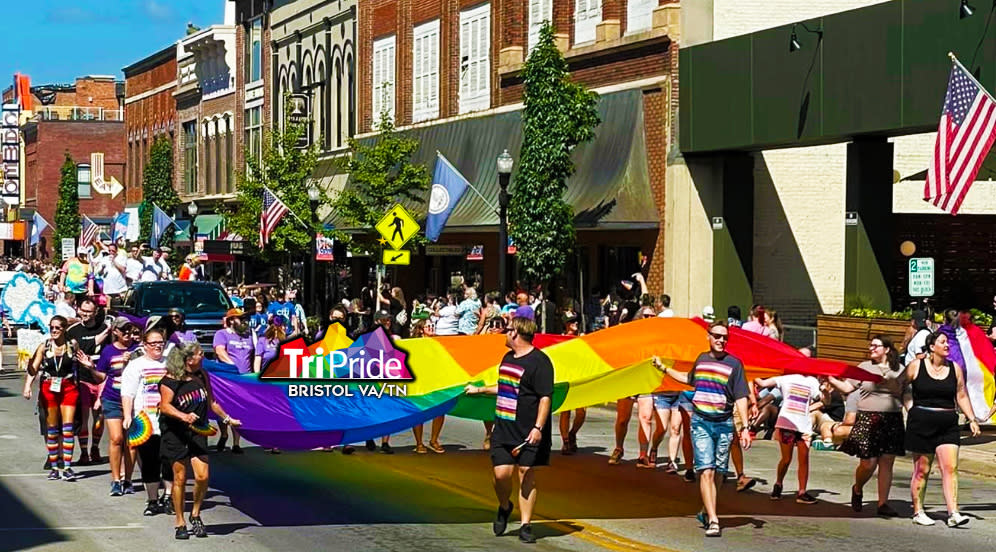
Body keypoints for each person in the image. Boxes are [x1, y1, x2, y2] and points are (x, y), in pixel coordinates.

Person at [652, 320, 752, 538]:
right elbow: (688, 379)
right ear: (708, 337)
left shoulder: (735, 364)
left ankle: (707, 510)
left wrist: (744, 427)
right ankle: (714, 520)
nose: (721, 340)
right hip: (701, 423)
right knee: (705, 470)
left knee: (718, 473)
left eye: (725, 337)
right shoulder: (701, 359)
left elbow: (741, 397)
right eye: (717, 336)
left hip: (724, 424)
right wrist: (664, 368)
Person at [464, 317, 554, 544]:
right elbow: (505, 386)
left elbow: (545, 398)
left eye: (507, 330)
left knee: (526, 473)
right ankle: (505, 506)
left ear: (516, 333)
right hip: (503, 428)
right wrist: (480, 389)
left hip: (528, 431)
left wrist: (538, 428)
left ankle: (525, 525)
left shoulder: (540, 362)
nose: (504, 333)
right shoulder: (507, 358)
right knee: (501, 475)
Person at [159, 343, 242, 539]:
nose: (202, 355)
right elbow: (165, 406)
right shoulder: (169, 381)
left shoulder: (202, 375)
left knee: (202, 476)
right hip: (175, 433)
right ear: (188, 359)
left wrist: (227, 419)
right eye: (198, 353)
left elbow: (212, 402)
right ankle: (180, 522)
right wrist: (183, 416)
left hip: (198, 432)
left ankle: (195, 513)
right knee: (179, 478)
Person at [905, 331, 980, 527]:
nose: (947, 345)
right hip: (921, 423)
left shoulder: (954, 368)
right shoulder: (916, 366)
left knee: (950, 468)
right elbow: (901, 387)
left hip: (948, 423)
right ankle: (918, 511)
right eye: (943, 342)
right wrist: (909, 407)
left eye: (947, 342)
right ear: (932, 347)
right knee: (922, 469)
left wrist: (972, 419)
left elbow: (961, 395)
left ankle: (953, 512)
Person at [827, 335, 906, 517]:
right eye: (870, 345)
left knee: (886, 462)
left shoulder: (900, 370)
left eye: (876, 346)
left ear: (887, 349)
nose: (871, 348)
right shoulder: (864, 367)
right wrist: (831, 379)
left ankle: (883, 503)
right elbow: (847, 388)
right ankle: (858, 488)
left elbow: (905, 393)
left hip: (892, 420)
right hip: (868, 420)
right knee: (868, 463)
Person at [121, 329, 173, 516]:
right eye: (153, 343)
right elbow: (128, 393)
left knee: (169, 461)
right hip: (146, 421)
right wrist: (127, 416)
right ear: (144, 345)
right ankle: (152, 500)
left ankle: (168, 497)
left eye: (161, 342)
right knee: (150, 462)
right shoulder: (136, 366)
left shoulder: (171, 364)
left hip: (169, 421)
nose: (158, 346)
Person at [25, 316, 81, 481]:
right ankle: (55, 467)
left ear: (64, 329)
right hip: (49, 387)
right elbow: (34, 369)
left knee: (68, 427)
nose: (54, 331)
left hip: (69, 386)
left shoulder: (72, 345)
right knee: (52, 428)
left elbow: (81, 360)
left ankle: (68, 466)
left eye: (57, 328)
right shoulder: (45, 346)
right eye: (52, 327)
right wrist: (27, 386)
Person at [753, 374, 824, 504]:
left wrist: (823, 394)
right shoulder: (785, 378)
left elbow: (823, 400)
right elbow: (762, 384)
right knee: (786, 459)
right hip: (787, 424)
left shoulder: (812, 381)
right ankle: (778, 483)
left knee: (804, 459)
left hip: (803, 426)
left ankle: (802, 492)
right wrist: (754, 371)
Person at [88, 318, 139, 496]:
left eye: (129, 330)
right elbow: (101, 377)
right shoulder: (108, 351)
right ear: (115, 331)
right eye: (123, 330)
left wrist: (131, 362)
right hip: (112, 398)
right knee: (116, 438)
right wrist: (91, 367)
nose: (127, 333)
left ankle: (128, 480)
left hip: (134, 401)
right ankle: (116, 479)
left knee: (132, 443)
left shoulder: (138, 349)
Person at [66, 297, 110, 466]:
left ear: (96, 312)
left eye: (89, 311)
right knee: (83, 418)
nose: (85, 314)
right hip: (83, 380)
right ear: (78, 309)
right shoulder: (73, 330)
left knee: (99, 417)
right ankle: (84, 452)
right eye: (83, 310)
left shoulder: (105, 329)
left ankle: (95, 448)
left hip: (101, 379)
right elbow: (78, 350)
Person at [213, 309, 254, 454]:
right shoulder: (222, 334)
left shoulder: (249, 335)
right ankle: (224, 434)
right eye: (239, 319)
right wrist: (232, 367)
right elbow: (220, 352)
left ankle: (236, 443)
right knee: (223, 408)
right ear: (231, 320)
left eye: (244, 318)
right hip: (227, 379)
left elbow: (254, 355)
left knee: (239, 409)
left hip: (244, 379)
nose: (243, 321)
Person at [558, 315, 586, 455]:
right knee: (565, 411)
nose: (575, 323)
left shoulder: (582, 339)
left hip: (580, 378)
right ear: (566, 324)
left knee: (581, 412)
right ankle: (566, 442)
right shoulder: (559, 339)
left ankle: (572, 433)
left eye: (576, 321)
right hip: (565, 377)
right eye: (572, 321)